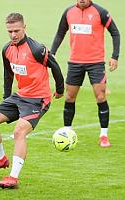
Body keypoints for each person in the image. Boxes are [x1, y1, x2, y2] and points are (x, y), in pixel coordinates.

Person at [0, 12, 64, 189]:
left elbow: (55, 66)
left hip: (38, 99)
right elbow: (8, 74)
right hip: (19, 97)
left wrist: (59, 90)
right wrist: (6, 98)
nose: (13, 35)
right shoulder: (7, 49)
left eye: (16, 30)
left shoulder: (36, 49)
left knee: (19, 131)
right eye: (9, 31)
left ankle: (13, 177)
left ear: (24, 28)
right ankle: (0, 159)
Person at [51, 0, 120, 147]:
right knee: (69, 97)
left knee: (100, 97)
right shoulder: (69, 12)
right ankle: (67, 132)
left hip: (96, 63)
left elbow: (115, 32)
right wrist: (53, 53)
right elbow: (60, 32)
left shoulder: (100, 12)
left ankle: (103, 135)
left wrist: (115, 56)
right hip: (75, 62)